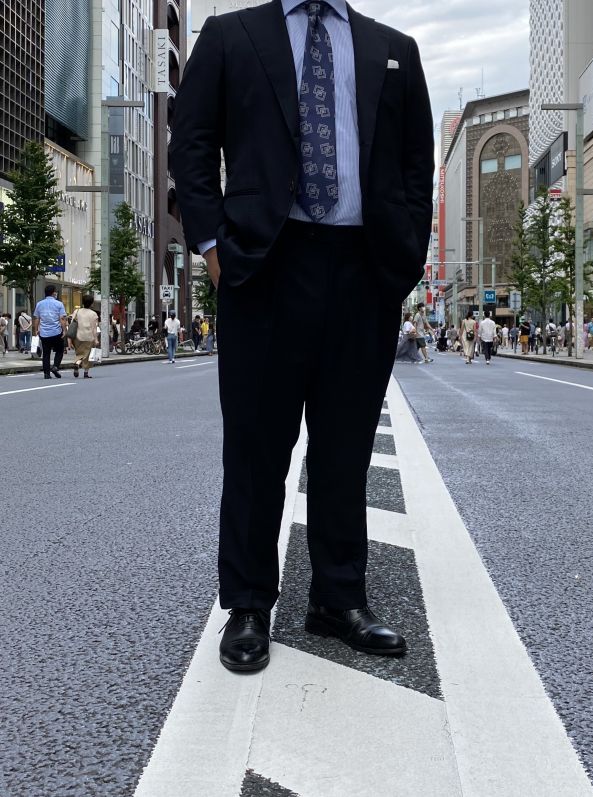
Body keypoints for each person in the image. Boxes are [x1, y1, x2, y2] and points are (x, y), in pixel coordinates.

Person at [170, 0, 434, 672]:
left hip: (363, 269)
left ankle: (338, 599)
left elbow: (415, 164)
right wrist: (212, 247)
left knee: (346, 446)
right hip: (264, 265)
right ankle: (248, 605)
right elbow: (191, 143)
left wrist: (402, 262)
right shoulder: (229, 36)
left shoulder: (394, 49)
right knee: (256, 448)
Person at [32, 285, 67, 378]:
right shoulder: (59, 304)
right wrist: (64, 330)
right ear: (53, 293)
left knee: (46, 353)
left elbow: (37, 318)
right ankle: (55, 366)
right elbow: (62, 318)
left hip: (44, 333)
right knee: (59, 350)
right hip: (56, 332)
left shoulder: (39, 304)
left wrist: (36, 330)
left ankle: (46, 374)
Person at [70, 294, 99, 378]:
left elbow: (72, 323)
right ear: (91, 303)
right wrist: (96, 339)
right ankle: (85, 372)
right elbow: (94, 328)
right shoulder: (93, 314)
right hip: (88, 336)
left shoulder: (77, 311)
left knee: (79, 353)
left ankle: (77, 362)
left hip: (77, 336)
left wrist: (70, 339)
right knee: (87, 355)